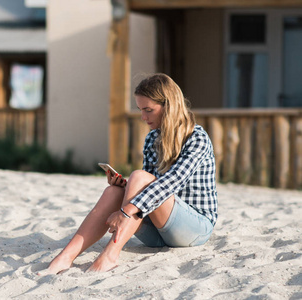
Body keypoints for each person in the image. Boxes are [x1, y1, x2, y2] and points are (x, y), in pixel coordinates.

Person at [42, 73, 217, 274]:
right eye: (141, 110)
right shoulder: (153, 138)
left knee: (139, 177)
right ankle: (66, 257)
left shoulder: (197, 139)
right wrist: (124, 189)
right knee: (113, 192)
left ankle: (110, 255)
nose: (143, 117)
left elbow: (171, 183)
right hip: (158, 232)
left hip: (193, 229)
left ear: (169, 106)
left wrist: (125, 211)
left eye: (148, 110)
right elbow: (149, 187)